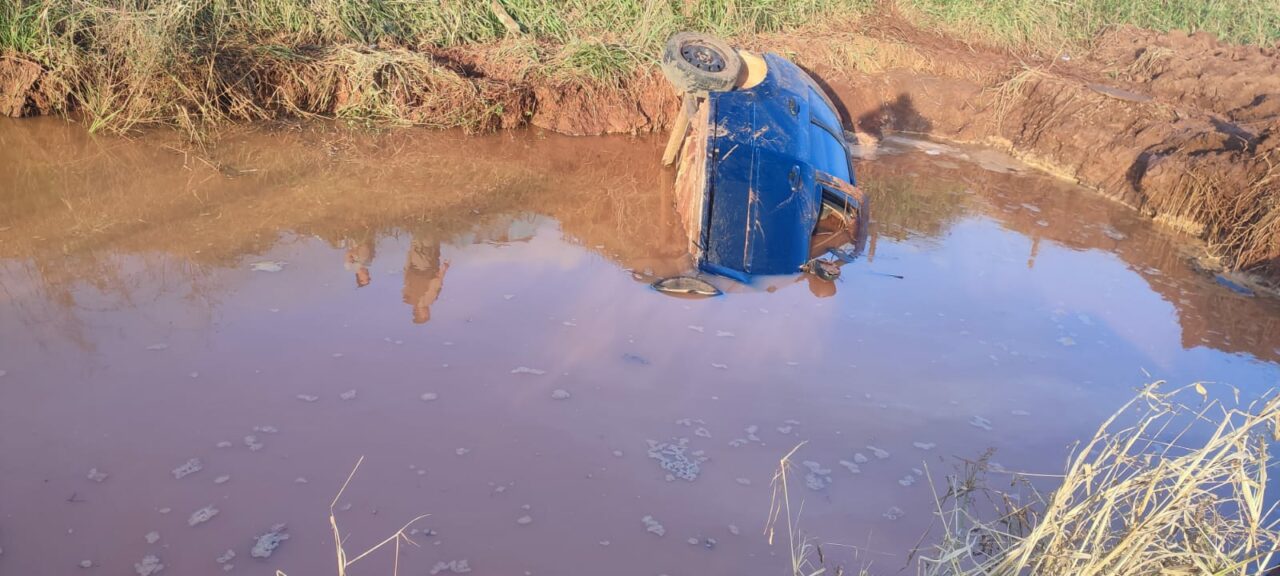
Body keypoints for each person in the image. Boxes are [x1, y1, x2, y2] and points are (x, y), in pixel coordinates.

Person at [402, 236, 449, 324]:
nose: (429, 313)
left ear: (421, 314)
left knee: (429, 235)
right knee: (418, 236)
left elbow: (436, 282)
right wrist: (410, 255)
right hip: (415, 262)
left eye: (427, 315)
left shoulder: (428, 300)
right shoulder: (408, 298)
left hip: (427, 264)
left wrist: (444, 268)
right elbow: (406, 275)